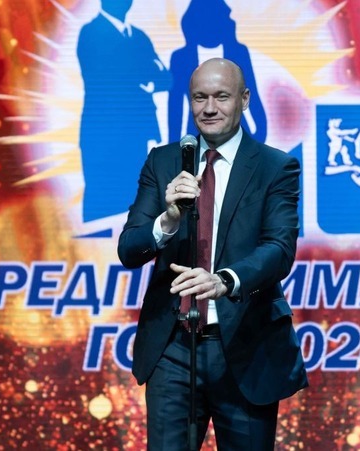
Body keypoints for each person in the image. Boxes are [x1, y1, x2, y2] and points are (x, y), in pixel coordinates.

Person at [118, 58, 307, 450]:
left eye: (221, 97)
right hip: (173, 347)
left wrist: (224, 281)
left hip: (245, 345)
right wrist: (168, 219)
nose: (208, 108)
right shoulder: (163, 161)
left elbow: (279, 249)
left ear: (244, 99)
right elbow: (130, 248)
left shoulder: (275, 167)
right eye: (199, 98)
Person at [77, 0, 171, 225]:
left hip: (136, 133)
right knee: (103, 201)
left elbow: (165, 78)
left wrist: (144, 79)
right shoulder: (90, 33)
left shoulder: (138, 37)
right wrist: (141, 75)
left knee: (135, 200)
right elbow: (104, 78)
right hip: (102, 135)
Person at [167, 0, 267, 145]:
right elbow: (175, 104)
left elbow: (253, 96)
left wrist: (260, 133)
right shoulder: (180, 57)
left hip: (239, 137)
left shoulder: (239, 52)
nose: (210, 108)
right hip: (195, 138)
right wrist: (174, 144)